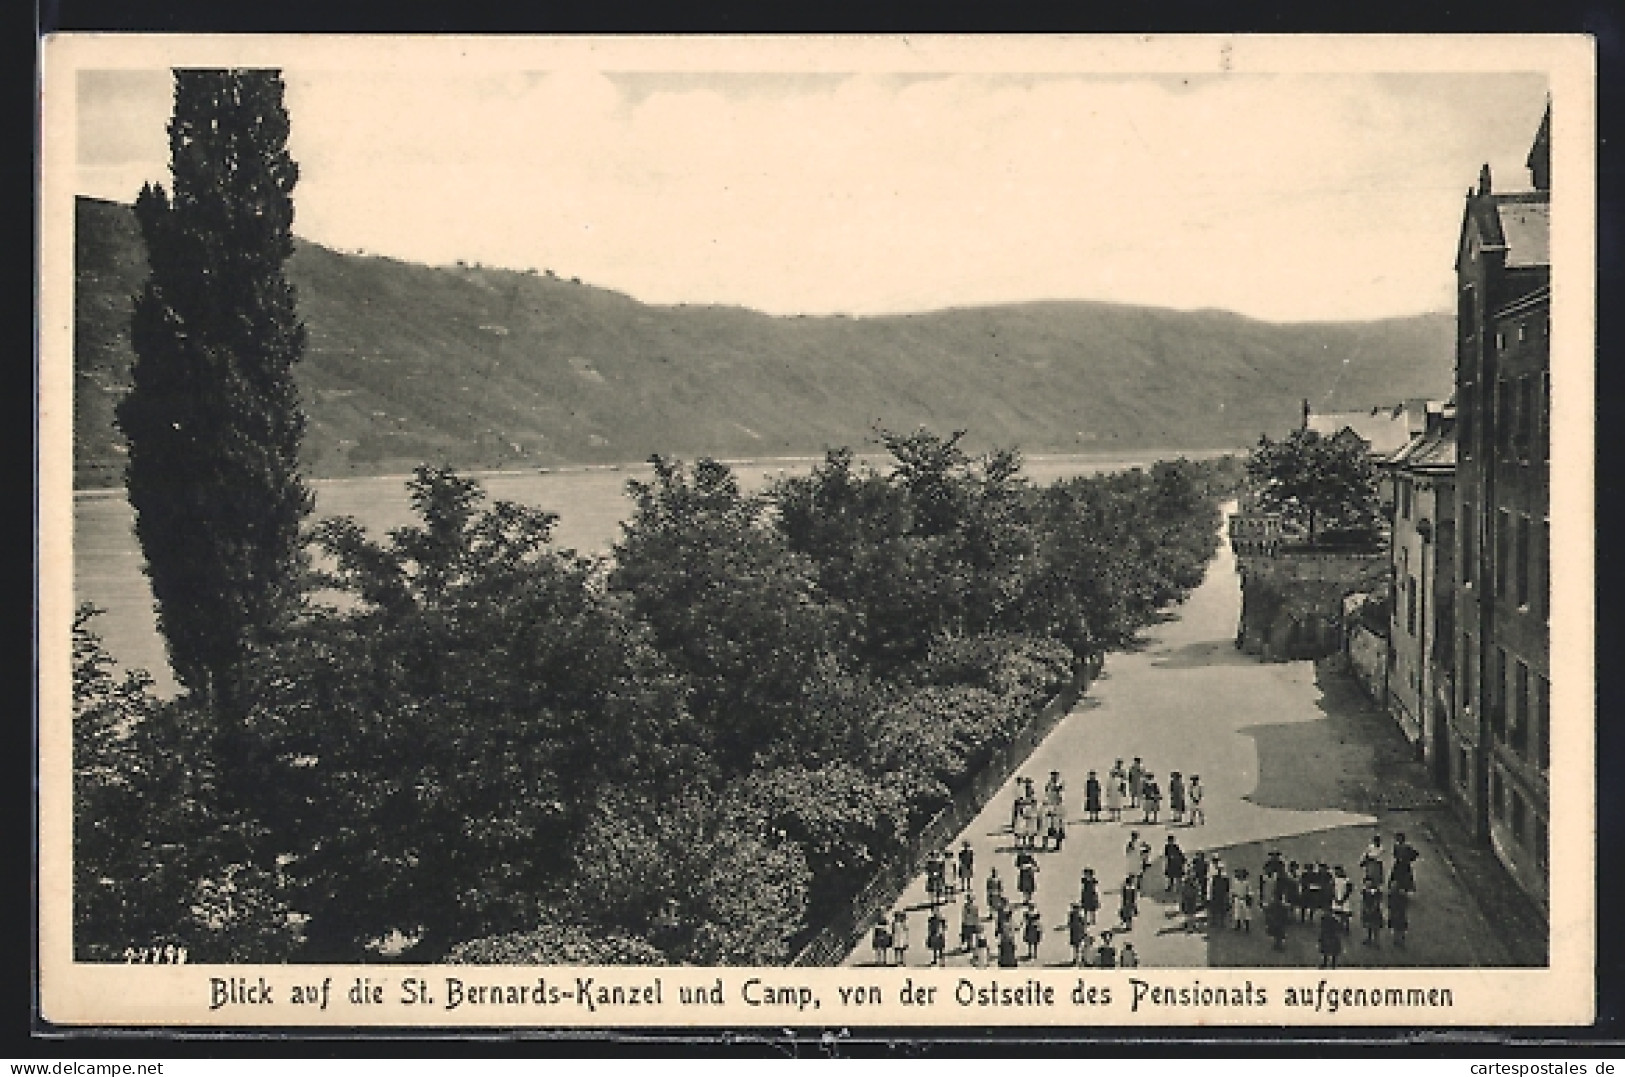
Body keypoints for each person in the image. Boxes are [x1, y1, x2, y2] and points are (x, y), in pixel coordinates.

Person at [1360, 879, 1384, 947]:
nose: (1367, 885)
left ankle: (1376, 941)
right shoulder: (1364, 891)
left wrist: (1372, 909)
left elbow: (1377, 901)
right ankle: (1369, 938)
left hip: (1375, 911)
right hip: (1367, 910)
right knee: (1368, 925)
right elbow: (1363, 901)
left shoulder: (1376, 891)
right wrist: (1365, 909)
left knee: (1375, 926)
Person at [1331, 865, 1354, 935]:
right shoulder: (1334, 880)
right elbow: (1332, 889)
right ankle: (1339, 925)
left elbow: (1349, 890)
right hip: (1336, 897)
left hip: (1344, 898)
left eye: (1338, 871)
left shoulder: (1346, 880)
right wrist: (1335, 897)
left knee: (1345, 913)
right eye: (1336, 871)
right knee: (1337, 913)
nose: (1337, 873)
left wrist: (1343, 899)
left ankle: (1346, 927)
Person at [1209, 865, 1232, 930]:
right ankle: (1214, 921)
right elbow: (1212, 887)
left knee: (1222, 909)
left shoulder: (1225, 879)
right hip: (1216, 895)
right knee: (1215, 909)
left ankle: (1221, 922)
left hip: (1222, 895)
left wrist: (1227, 896)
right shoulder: (1215, 878)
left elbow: (1227, 889)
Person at [1068, 902, 1090, 966]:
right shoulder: (1076, 915)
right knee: (1078, 946)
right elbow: (1083, 923)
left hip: (1076, 932)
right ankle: (1079, 959)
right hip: (1077, 932)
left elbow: (1070, 923)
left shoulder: (1073, 915)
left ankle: (1077, 959)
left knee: (1077, 946)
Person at [1388, 883, 1410, 948]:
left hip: (1399, 912)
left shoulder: (1400, 896)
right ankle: (1397, 940)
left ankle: (1399, 940)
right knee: (1397, 926)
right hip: (1397, 912)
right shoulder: (1395, 896)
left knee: (1400, 927)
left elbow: (1405, 904)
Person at [1232, 868, 1253, 933]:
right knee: (1237, 912)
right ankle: (1238, 925)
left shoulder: (1246, 883)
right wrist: (1233, 896)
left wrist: (1249, 897)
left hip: (1244, 899)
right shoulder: (1236, 882)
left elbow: (1249, 891)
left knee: (1246, 913)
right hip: (1238, 898)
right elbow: (1234, 890)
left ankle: (1247, 927)